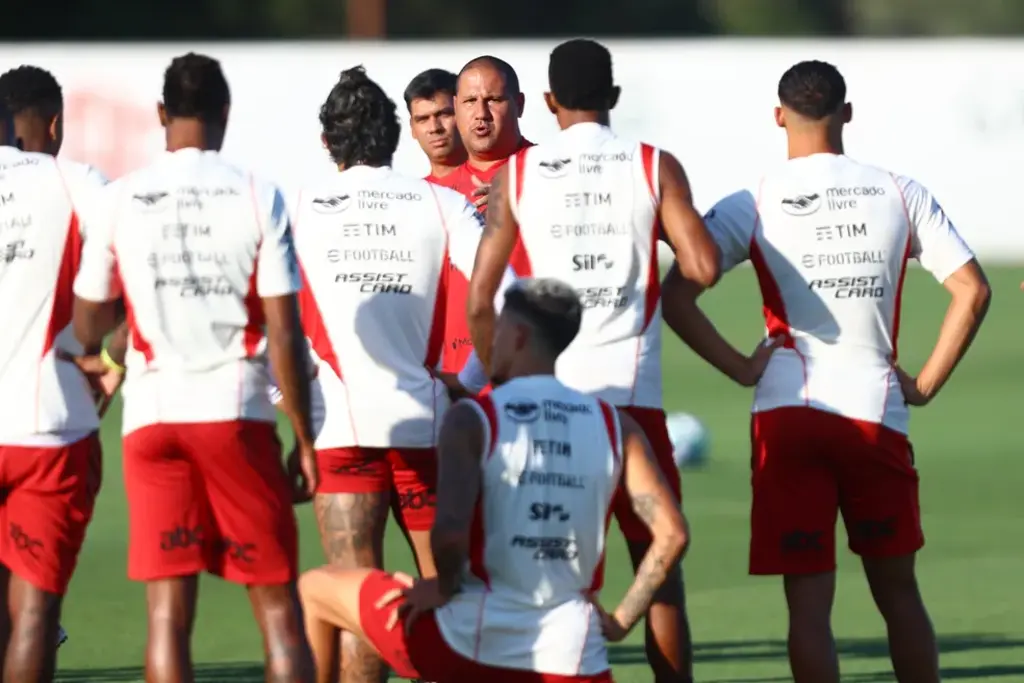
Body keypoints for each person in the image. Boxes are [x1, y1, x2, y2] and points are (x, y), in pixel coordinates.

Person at [660, 60, 991, 683]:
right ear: (847, 114)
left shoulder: (750, 200)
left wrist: (738, 367)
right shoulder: (900, 191)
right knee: (900, 596)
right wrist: (923, 384)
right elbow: (972, 291)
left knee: (808, 610)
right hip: (876, 412)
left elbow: (675, 295)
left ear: (779, 116)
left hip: (787, 417)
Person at [466, 39, 719, 683]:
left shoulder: (516, 176)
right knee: (656, 569)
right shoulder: (652, 164)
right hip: (632, 396)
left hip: (546, 398)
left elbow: (479, 298)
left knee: (534, 566)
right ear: (613, 98)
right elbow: (704, 266)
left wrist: (498, 378)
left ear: (547, 103)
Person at [299, 277, 689, 683]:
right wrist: (623, 618)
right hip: (576, 658)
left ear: (517, 336)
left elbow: (449, 534)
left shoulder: (474, 418)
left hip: (471, 644)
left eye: (497, 327)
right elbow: (673, 535)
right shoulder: (617, 426)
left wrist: (442, 587)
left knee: (315, 589)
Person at [70, 52, 317, 683]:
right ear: (224, 114)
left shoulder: (121, 197)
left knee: (165, 616)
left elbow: (90, 320)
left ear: (161, 114)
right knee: (277, 610)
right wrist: (305, 436)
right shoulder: (260, 193)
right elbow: (284, 329)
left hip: (151, 420)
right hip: (234, 413)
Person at [286, 66, 514, 683]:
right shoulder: (442, 202)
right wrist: (467, 375)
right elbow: (506, 294)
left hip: (338, 427)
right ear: (395, 135)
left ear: (329, 143)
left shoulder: (300, 205)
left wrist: (289, 404)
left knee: (362, 599)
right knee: (444, 594)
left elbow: (268, 319)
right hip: (425, 424)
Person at [0, 62, 115, 654]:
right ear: (53, 123)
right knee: (34, 612)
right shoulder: (74, 181)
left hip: (41, 425)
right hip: (45, 425)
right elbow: (128, 264)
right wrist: (107, 354)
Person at [438, 56, 534, 385]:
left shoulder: (552, 175)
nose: (481, 113)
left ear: (519, 104)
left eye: (493, 100)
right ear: (455, 107)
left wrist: (519, 196)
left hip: (529, 374)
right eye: (470, 101)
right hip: (451, 387)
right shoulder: (430, 195)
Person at [404, 68, 466, 182]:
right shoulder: (413, 195)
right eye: (423, 119)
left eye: (444, 114)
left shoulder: (500, 182)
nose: (434, 128)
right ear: (412, 128)